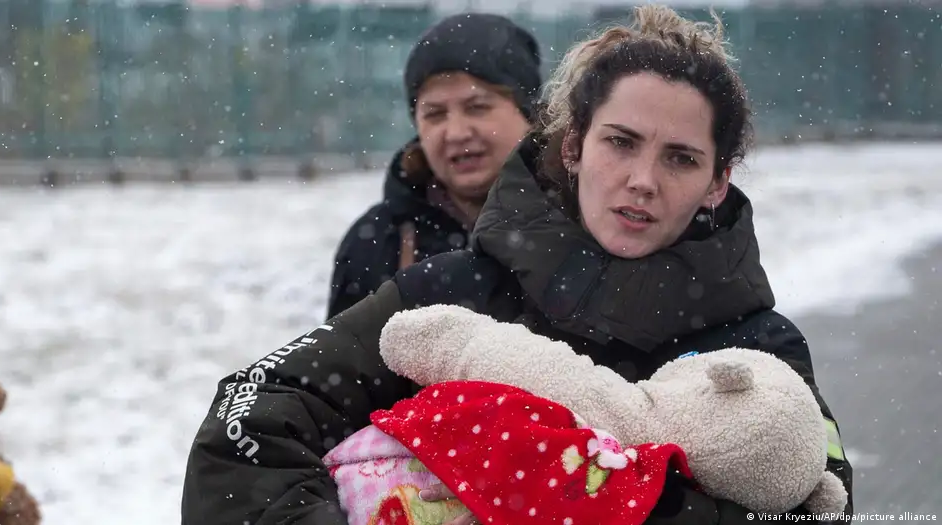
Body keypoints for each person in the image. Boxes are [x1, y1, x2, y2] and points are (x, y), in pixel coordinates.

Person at [182, 5, 854, 525]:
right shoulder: (448, 293)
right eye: (620, 142)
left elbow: (822, 505)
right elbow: (249, 422)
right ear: (573, 147)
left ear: (717, 181)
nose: (643, 180)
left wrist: (624, 502)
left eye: (681, 157)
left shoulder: (762, 350)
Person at [325, 12, 539, 319]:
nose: (456, 133)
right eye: (435, 114)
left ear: (529, 114)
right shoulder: (376, 242)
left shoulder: (584, 223)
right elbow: (343, 347)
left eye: (477, 108)